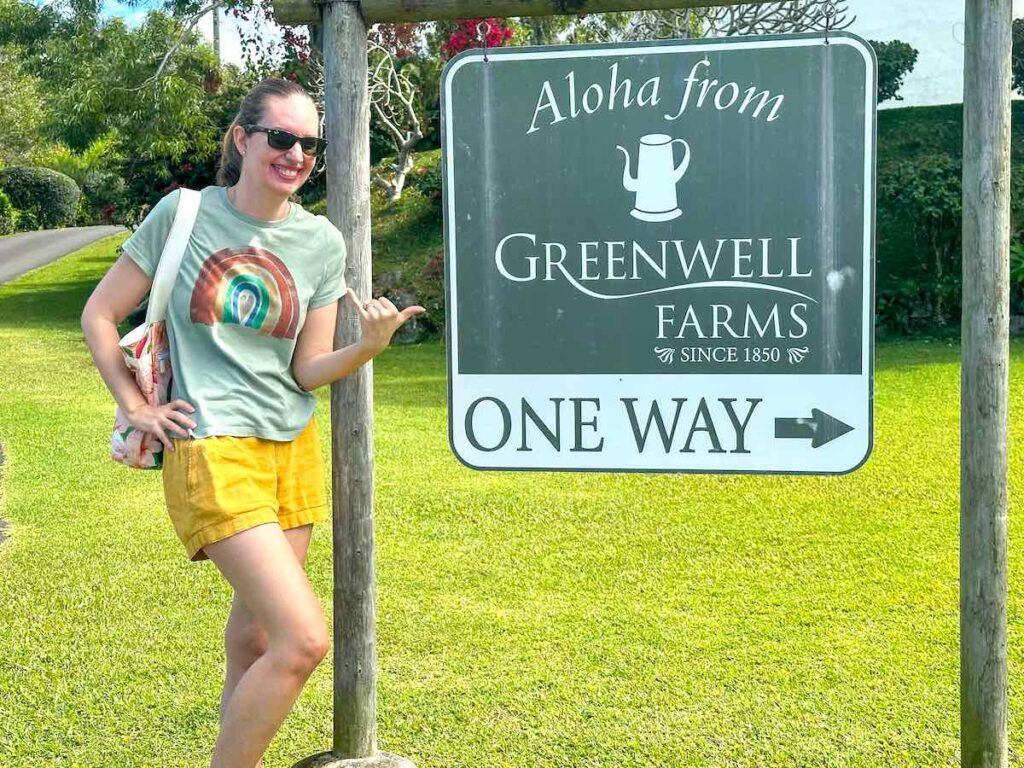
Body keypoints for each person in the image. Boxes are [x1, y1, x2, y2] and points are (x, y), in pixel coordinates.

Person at [81, 77, 423, 768]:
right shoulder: (183, 215)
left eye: (309, 144)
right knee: (303, 640)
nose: (296, 154)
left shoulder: (321, 243)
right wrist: (133, 403)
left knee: (261, 639)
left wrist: (367, 348)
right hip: (212, 447)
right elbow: (100, 313)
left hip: (290, 448)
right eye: (281, 138)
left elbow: (305, 370)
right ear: (243, 139)